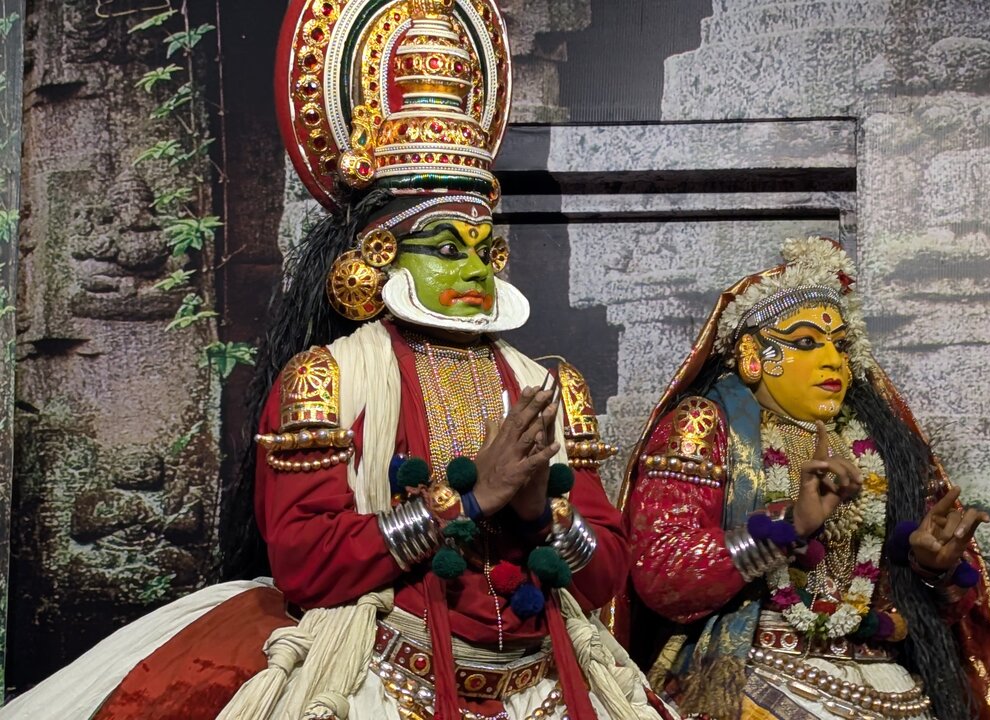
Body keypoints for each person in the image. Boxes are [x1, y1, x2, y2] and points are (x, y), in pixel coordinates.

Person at [1, 0, 666, 718]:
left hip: (540, 683)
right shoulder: (328, 379)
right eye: (447, 249)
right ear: (381, 253)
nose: (477, 271)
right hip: (381, 669)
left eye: (486, 249)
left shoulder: (547, 387)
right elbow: (307, 563)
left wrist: (542, 515)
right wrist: (467, 499)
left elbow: (604, 577)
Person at [623, 237, 990, 720]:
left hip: (888, 685)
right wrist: (788, 525)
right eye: (806, 342)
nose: (833, 359)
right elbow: (662, 573)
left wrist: (932, 571)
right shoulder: (703, 425)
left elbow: (935, 615)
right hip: (753, 673)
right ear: (752, 353)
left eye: (841, 345)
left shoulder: (882, 448)